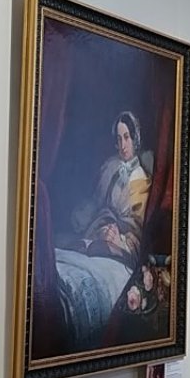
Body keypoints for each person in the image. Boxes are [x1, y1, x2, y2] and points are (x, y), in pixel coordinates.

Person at [67, 111, 152, 266]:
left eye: (126, 137)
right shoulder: (110, 165)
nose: (122, 145)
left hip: (123, 239)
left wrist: (117, 233)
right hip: (99, 227)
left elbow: (136, 226)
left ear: (135, 138)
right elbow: (96, 200)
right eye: (119, 139)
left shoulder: (140, 178)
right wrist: (88, 217)